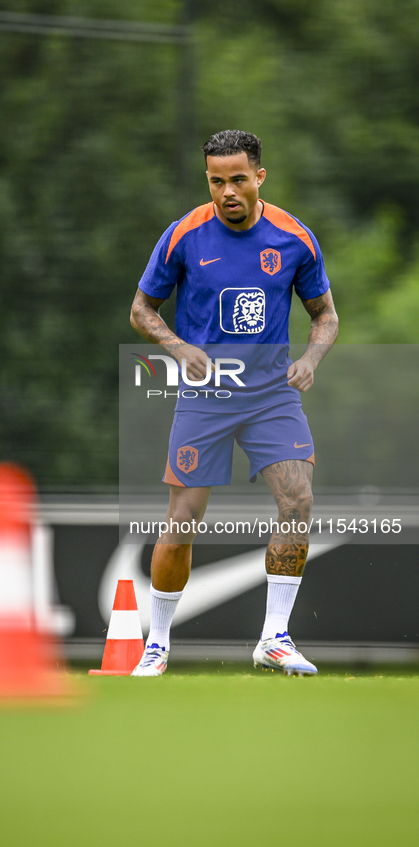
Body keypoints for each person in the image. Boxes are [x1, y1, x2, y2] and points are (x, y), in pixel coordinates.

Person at [129, 129, 338, 677]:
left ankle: (274, 637)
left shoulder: (295, 238)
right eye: (217, 181)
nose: (227, 191)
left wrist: (311, 361)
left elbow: (325, 315)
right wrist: (177, 348)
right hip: (206, 396)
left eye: (238, 180)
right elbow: (141, 311)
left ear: (259, 178)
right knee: (183, 518)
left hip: (272, 395)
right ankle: (157, 645)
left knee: (298, 500)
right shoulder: (183, 235)